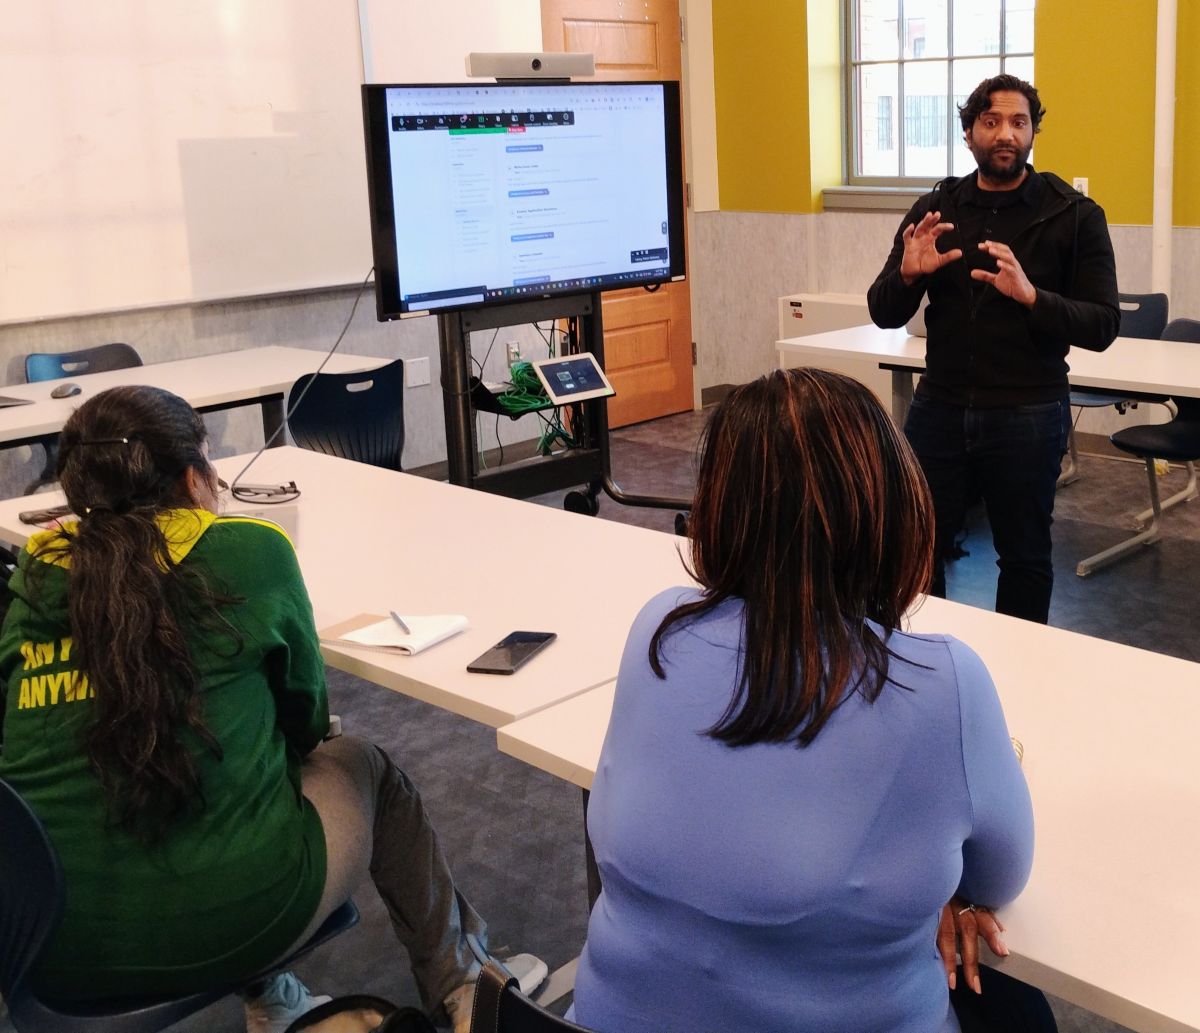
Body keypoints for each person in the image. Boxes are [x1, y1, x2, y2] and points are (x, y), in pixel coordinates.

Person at [0, 386, 543, 1033]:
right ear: (192, 477)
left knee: (170, 763)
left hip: (45, 942)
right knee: (359, 764)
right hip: (236, 920)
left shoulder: (35, 572)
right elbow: (306, 721)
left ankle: (276, 996)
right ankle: (461, 988)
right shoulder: (248, 551)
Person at [571, 369, 1054, 1033]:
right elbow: (1001, 877)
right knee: (1022, 1012)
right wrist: (934, 889)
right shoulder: (943, 683)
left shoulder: (659, 631)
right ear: (891, 509)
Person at [868, 74, 1120, 624]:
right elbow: (883, 310)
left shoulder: (1073, 215)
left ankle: (1017, 677)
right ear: (968, 132)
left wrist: (1034, 298)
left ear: (1033, 132)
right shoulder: (935, 209)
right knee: (917, 546)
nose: (1005, 133)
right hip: (940, 408)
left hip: (1029, 412)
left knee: (1024, 558)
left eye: (1018, 122)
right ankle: (923, 663)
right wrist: (908, 276)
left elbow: (1103, 325)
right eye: (990, 121)